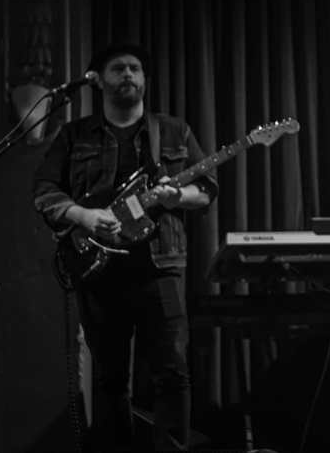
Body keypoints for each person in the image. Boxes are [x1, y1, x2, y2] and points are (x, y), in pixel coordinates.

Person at [34, 42, 217, 451]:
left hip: (161, 267)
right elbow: (43, 190)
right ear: (99, 81)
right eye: (119, 69)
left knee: (172, 372)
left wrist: (177, 198)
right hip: (97, 269)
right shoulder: (74, 134)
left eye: (135, 69)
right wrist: (81, 215)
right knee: (109, 378)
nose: (129, 75)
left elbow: (205, 191)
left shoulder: (172, 131)